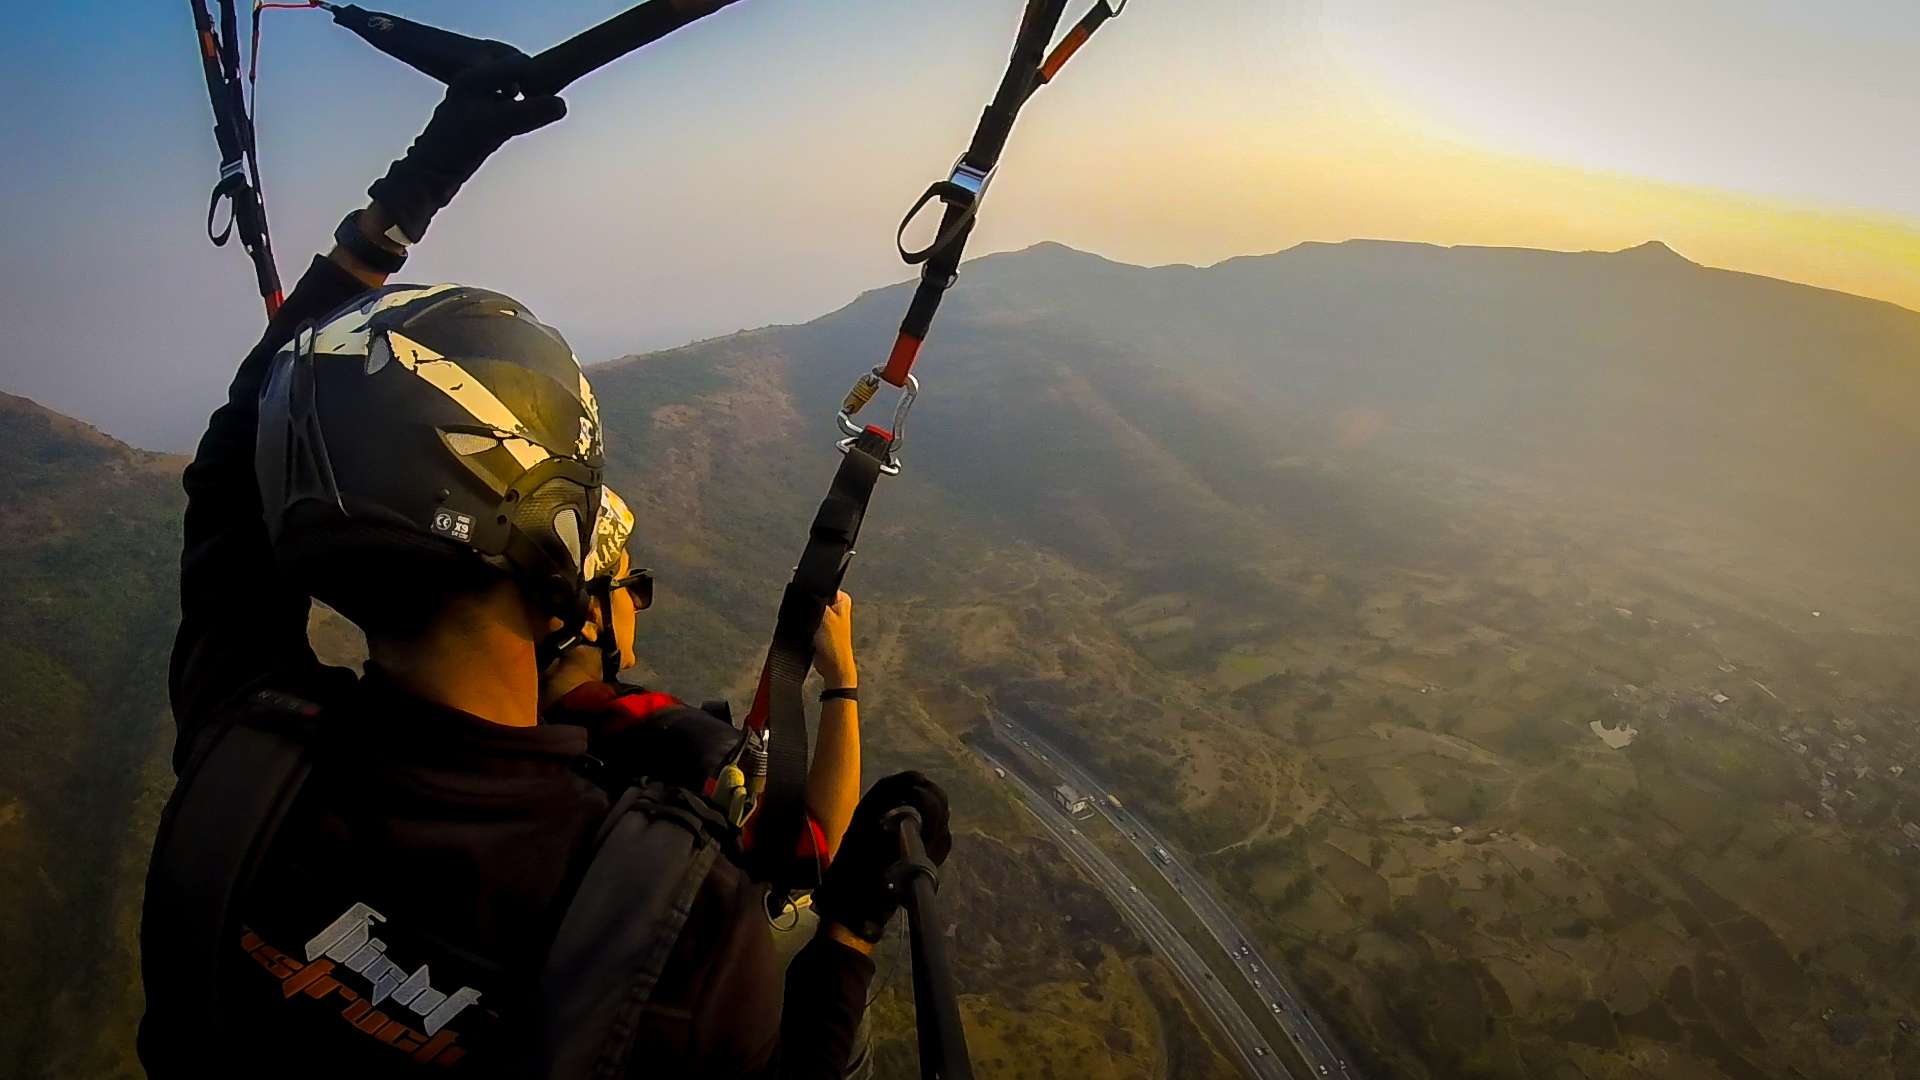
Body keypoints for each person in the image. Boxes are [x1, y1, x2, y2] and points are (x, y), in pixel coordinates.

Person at [139, 55, 950, 1078]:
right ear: (553, 543)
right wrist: (849, 937)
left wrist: (408, 193)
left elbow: (224, 471)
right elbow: (230, 467)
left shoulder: (248, 749)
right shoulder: (666, 913)